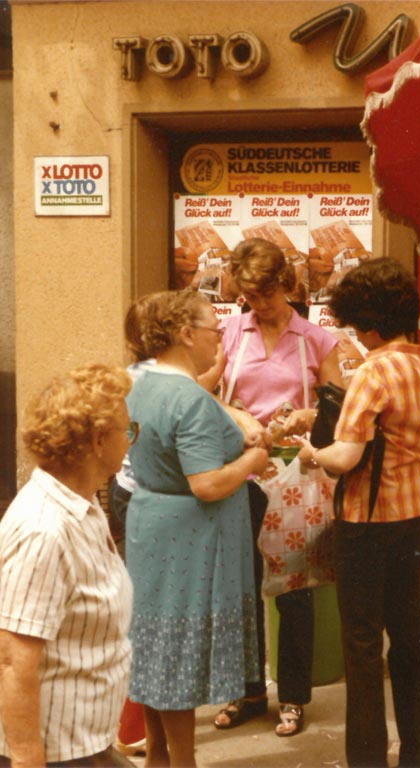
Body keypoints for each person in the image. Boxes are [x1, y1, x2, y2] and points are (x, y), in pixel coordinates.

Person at [297, 257, 420, 768]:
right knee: (410, 637)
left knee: (362, 647)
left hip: (365, 521)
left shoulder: (372, 372)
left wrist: (311, 453)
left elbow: (346, 458)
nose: (356, 335)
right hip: (413, 517)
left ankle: (367, 760)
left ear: (371, 321)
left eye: (357, 325)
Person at [126, 290, 268, 767]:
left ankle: (159, 759)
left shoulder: (143, 382)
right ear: (186, 335)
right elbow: (207, 483)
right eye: (215, 329)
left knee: (154, 646)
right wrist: (252, 458)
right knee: (177, 656)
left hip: (153, 525)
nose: (221, 339)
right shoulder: (186, 396)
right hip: (186, 540)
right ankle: (179, 763)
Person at [212, 238, 345, 738]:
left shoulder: (315, 339)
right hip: (242, 473)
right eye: (249, 295)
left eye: (266, 294)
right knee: (240, 588)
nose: (258, 305)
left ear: (285, 286)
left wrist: (308, 415)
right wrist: (239, 415)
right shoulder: (229, 333)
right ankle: (246, 690)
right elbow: (204, 394)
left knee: (294, 590)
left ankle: (292, 694)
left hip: (292, 478)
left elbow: (336, 406)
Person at [0, 364, 136, 767]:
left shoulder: (83, 503)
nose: (131, 442)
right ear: (97, 441)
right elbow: (11, 660)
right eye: (127, 431)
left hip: (86, 742)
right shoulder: (45, 530)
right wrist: (28, 759)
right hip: (57, 754)